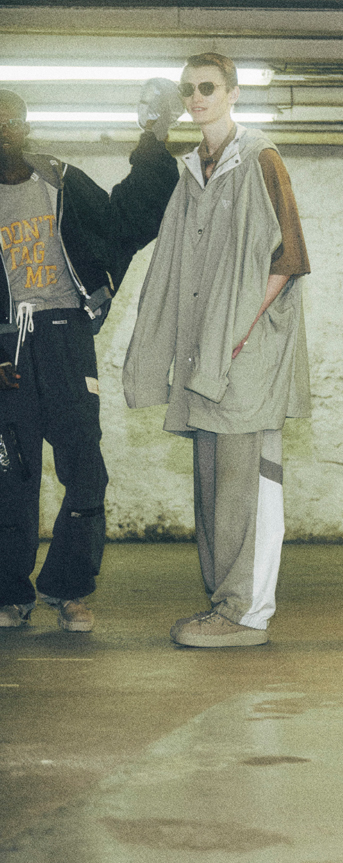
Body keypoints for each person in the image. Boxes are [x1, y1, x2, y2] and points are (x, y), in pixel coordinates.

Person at [123, 53, 311, 648]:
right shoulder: (193, 171)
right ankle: (223, 605)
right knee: (210, 488)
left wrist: (238, 333)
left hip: (244, 357)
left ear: (232, 93)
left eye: (208, 86)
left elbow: (288, 258)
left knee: (244, 487)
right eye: (188, 89)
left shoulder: (261, 158)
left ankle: (246, 614)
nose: (196, 96)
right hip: (203, 359)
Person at [0, 86, 178, 633]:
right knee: (10, 475)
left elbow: (123, 218)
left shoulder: (60, 181)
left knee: (85, 470)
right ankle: (10, 594)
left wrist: (153, 143)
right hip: (6, 347)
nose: (5, 131)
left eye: (12, 121)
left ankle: (68, 588)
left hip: (65, 335)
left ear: (26, 128)